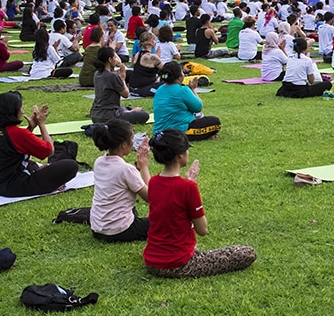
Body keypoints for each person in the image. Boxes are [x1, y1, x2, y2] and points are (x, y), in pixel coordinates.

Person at [143, 129, 256, 278]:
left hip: (152, 262)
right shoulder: (187, 187)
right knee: (246, 253)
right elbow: (202, 230)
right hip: (179, 264)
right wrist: (192, 186)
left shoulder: (154, 182)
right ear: (180, 155)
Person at [0, 91, 78, 197]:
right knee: (71, 165)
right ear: (15, 110)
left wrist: (31, 128)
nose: (22, 110)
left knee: (32, 164)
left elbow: (15, 149)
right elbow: (50, 151)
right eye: (21, 107)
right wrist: (41, 124)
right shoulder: (18, 133)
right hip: (12, 186)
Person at [89, 119, 150, 243]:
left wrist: (137, 168)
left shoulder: (99, 162)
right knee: (166, 223)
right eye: (132, 139)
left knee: (132, 209)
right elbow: (151, 198)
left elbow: (118, 178)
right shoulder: (126, 170)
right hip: (119, 231)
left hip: (97, 228)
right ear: (123, 144)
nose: (133, 143)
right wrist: (144, 167)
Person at [153, 61, 221, 140]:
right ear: (179, 77)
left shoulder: (160, 89)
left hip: (159, 132)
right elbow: (198, 107)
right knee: (215, 122)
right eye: (182, 72)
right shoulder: (182, 90)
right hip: (179, 131)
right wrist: (193, 89)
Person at [91, 47, 151, 126]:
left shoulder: (97, 74)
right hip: (109, 116)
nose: (116, 60)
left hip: (95, 115)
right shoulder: (112, 76)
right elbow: (126, 94)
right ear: (110, 59)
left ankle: (129, 111)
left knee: (123, 108)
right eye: (115, 57)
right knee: (144, 115)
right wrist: (122, 78)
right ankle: (131, 112)